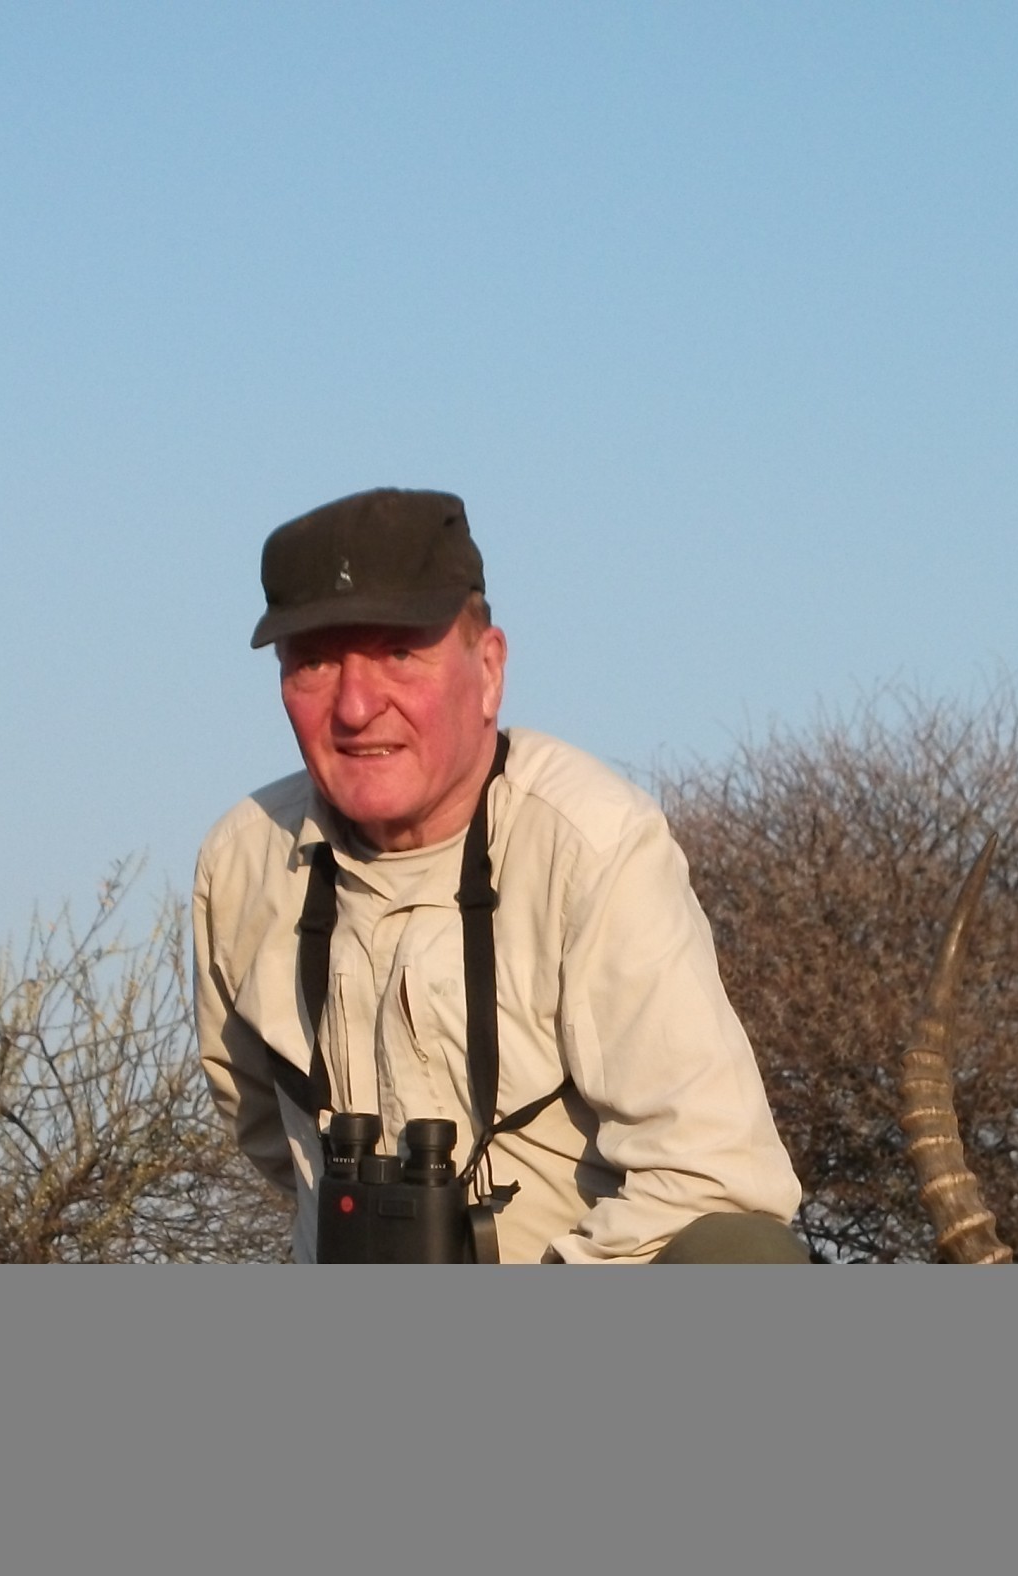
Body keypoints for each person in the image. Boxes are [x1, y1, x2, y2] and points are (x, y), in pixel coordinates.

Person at [192, 486, 808, 1262]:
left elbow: (714, 1176)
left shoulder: (594, 844)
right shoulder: (241, 864)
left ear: (488, 669)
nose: (354, 707)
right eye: (314, 662)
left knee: (744, 1257)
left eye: (398, 654)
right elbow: (268, 1139)